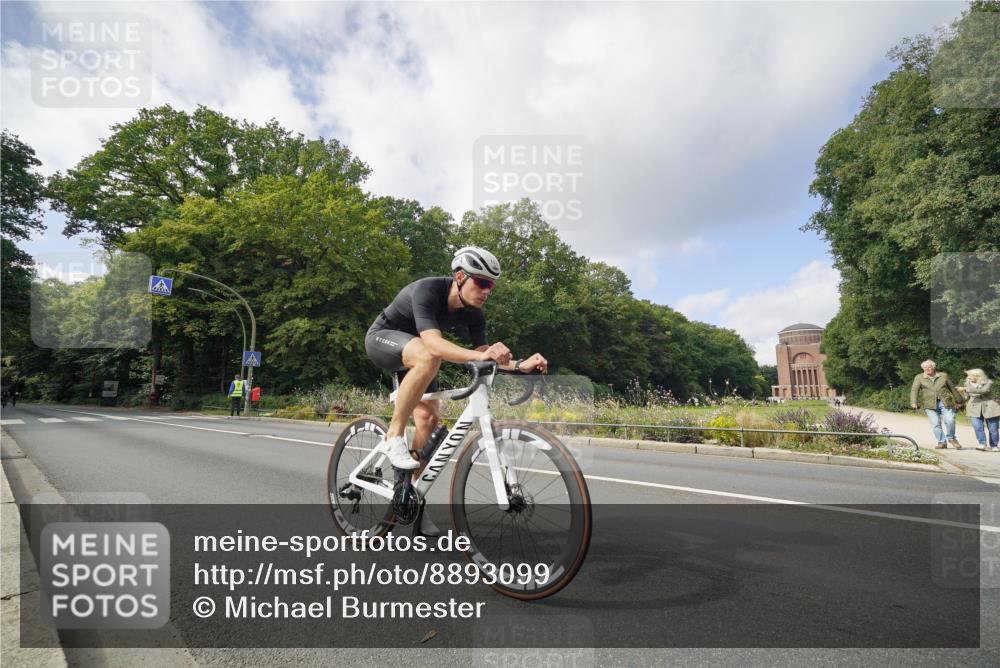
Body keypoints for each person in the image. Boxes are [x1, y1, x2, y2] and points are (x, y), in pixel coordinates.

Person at [365, 246, 548, 475]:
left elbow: (484, 353)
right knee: (429, 356)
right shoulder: (428, 290)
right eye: (482, 283)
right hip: (382, 339)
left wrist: (519, 365)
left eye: (491, 285)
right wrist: (481, 354)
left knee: (429, 418)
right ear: (460, 276)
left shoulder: (474, 314)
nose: (487, 291)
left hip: (416, 352)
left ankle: (408, 493)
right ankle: (394, 435)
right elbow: (433, 344)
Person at [910, 359, 964, 449]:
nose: (927, 369)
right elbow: (914, 390)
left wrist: (959, 400)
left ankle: (952, 438)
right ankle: (942, 442)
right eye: (925, 367)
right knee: (935, 423)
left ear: (933, 367)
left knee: (950, 420)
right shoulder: (919, 377)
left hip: (945, 402)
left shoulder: (943, 375)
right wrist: (913, 402)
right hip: (929, 404)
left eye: (929, 367)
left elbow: (952, 388)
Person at [962, 369, 1000, 452]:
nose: (968, 377)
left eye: (970, 375)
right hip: (974, 408)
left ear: (978, 376)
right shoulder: (967, 384)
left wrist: (968, 389)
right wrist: (961, 397)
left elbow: (984, 391)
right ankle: (982, 444)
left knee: (993, 428)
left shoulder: (988, 382)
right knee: (977, 427)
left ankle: (994, 445)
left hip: (990, 407)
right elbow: (966, 397)